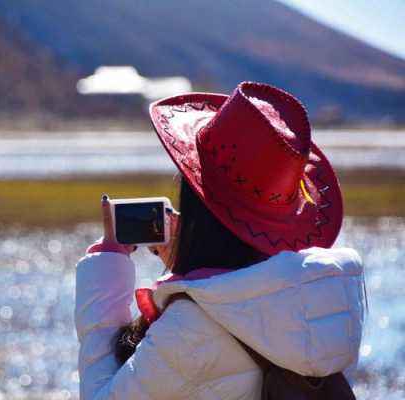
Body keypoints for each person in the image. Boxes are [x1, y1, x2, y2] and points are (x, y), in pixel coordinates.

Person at [74, 82, 366, 399]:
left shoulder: (192, 324)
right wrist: (192, 275)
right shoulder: (331, 298)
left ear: (198, 206)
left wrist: (109, 258)